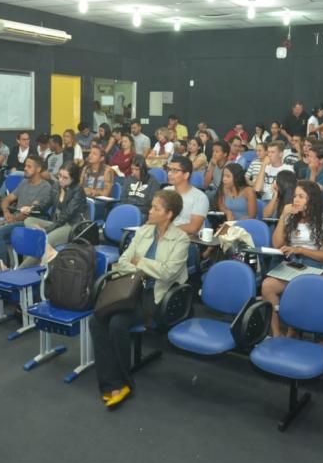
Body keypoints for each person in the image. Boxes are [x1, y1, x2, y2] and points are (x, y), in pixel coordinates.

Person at [90, 190, 189, 409]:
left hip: (156, 294)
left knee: (117, 323)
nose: (150, 211)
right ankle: (110, 381)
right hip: (130, 288)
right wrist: (144, 267)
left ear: (169, 214)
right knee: (96, 319)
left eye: (156, 208)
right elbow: (124, 260)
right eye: (151, 206)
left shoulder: (181, 239)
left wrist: (140, 263)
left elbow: (168, 273)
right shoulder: (144, 231)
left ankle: (123, 382)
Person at [261, 180, 323, 337]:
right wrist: (283, 216)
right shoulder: (291, 218)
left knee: (300, 290)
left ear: (312, 200)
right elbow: (277, 244)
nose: (296, 200)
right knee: (267, 286)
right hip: (295, 264)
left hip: (317, 266)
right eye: (295, 196)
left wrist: (300, 250)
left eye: (301, 196)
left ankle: (296, 330)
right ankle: (277, 333)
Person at [0, 156, 54, 267]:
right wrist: (6, 213)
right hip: (13, 219)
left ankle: (4, 267)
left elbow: (33, 212)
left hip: (28, 223)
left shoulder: (45, 187)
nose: (25, 168)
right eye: (25, 165)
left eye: (29, 166)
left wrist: (12, 220)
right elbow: (7, 199)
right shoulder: (24, 182)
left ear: (38, 169)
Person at [22, 162, 89, 255]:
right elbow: (45, 204)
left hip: (71, 226)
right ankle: (39, 261)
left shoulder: (78, 191)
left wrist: (47, 230)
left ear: (73, 179)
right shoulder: (56, 186)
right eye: (59, 175)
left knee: (43, 240)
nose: (60, 179)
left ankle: (23, 268)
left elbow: (66, 215)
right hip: (57, 223)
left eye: (65, 178)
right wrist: (31, 208)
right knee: (28, 221)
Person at [164, 156, 208, 236]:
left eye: (175, 170)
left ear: (186, 175)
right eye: (169, 170)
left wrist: (166, 229)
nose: (169, 173)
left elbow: (193, 228)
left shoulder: (199, 197)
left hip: (187, 240)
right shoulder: (166, 191)